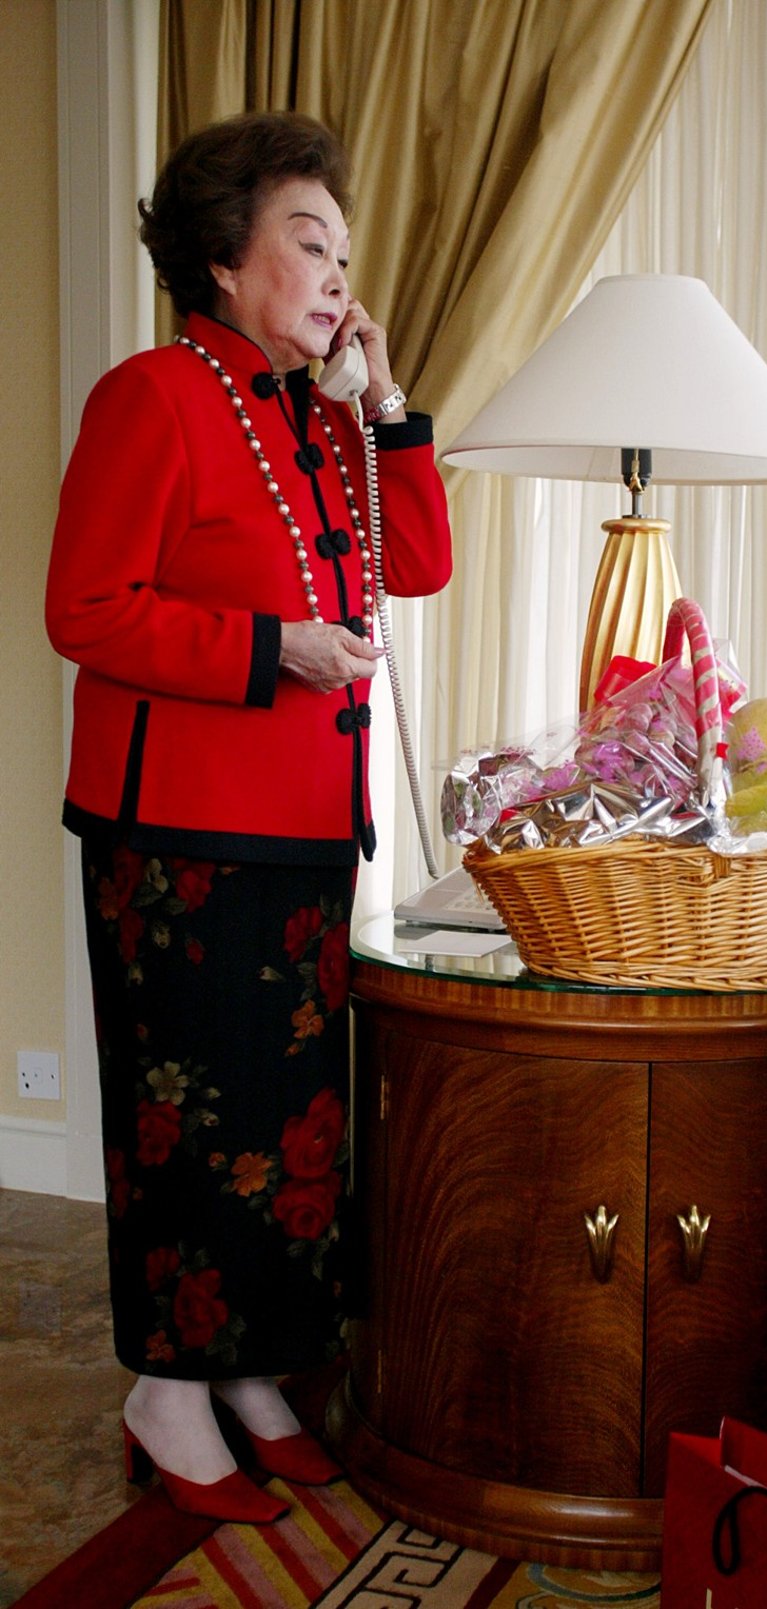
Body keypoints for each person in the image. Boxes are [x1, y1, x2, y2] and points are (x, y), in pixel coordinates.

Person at [46, 111, 452, 1524]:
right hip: (173, 840)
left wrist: (384, 403)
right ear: (225, 260)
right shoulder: (150, 395)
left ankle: (253, 1368)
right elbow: (83, 609)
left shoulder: (317, 413)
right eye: (308, 240)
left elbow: (428, 563)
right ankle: (168, 1381)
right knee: (190, 1121)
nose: (340, 270)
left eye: (346, 248)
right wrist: (268, 647)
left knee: (289, 1117)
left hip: (298, 826)